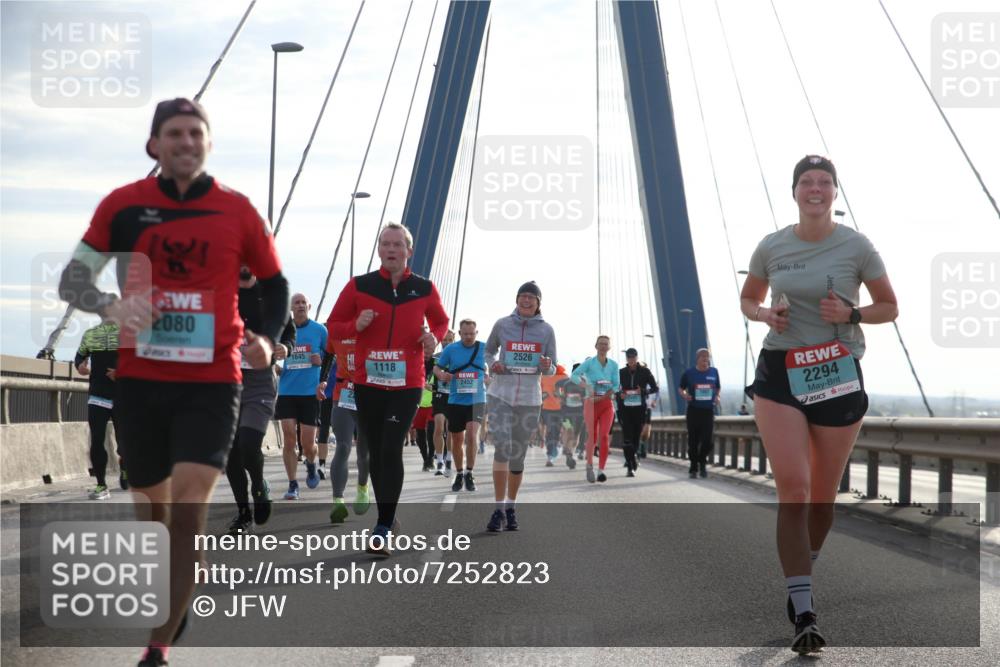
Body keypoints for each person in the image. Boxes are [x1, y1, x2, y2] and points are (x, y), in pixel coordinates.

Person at [58, 97, 289, 667]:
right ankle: (175, 583)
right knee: (152, 520)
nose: (186, 142)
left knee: (187, 512)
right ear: (154, 145)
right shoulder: (123, 205)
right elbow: (74, 280)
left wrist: (264, 336)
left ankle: (157, 646)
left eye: (196, 133)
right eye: (174, 134)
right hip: (141, 382)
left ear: (208, 143)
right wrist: (108, 306)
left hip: (213, 381)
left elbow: (276, 283)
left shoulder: (237, 210)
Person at [740, 155, 897, 654]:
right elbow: (748, 298)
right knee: (795, 486)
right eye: (806, 182)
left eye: (823, 182)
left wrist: (852, 312)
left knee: (822, 499)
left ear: (834, 193)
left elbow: (889, 306)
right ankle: (804, 609)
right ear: (794, 192)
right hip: (781, 372)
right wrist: (766, 314)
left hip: (835, 372)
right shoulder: (772, 245)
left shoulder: (857, 246)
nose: (815, 189)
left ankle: (802, 564)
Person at [327, 223, 449, 555]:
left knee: (391, 447)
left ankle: (383, 525)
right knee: (377, 450)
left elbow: (440, 320)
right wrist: (356, 325)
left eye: (397, 244)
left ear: (409, 251)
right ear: (379, 250)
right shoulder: (359, 286)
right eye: (385, 244)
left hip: (407, 382)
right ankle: (387, 517)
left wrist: (433, 337)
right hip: (368, 382)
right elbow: (332, 326)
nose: (391, 249)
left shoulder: (424, 288)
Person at [224, 266, 296, 535]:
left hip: (259, 383)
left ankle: (259, 486)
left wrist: (285, 347)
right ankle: (243, 514)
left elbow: (289, 332)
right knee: (231, 453)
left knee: (249, 443)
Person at [484, 281, 557, 531]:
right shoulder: (502, 324)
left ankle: (511, 507)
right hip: (500, 395)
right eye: (522, 296)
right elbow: (488, 351)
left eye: (531, 298)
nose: (526, 301)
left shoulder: (547, 330)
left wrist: (546, 364)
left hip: (529, 399)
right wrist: (493, 364)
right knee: (502, 448)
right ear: (516, 299)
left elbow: (552, 366)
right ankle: (497, 510)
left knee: (517, 457)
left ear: (538, 303)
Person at [275, 293, 327, 499]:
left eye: (303, 302)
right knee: (289, 439)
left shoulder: (319, 330)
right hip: (287, 391)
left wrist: (320, 360)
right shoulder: (282, 330)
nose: (300, 306)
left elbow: (332, 354)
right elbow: (270, 354)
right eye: (296, 303)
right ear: (290, 308)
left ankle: (312, 463)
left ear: (309, 306)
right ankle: (292, 484)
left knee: (307, 444)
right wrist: (275, 367)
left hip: (309, 393)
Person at [317, 329, 371, 523]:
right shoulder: (337, 329)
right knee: (342, 446)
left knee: (363, 451)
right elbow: (329, 354)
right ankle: (337, 501)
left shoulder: (373, 327)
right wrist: (322, 380)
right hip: (343, 394)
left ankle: (362, 489)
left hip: (368, 394)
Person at [434, 319, 488, 492]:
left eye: (472, 334)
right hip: (456, 400)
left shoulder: (484, 348)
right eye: (465, 334)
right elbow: (437, 368)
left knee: (472, 435)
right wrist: (442, 375)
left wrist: (491, 376)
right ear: (459, 333)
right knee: (457, 439)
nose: (468, 337)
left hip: (477, 399)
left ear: (476, 333)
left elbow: (495, 366)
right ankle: (459, 473)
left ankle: (469, 472)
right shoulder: (451, 349)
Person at [74, 316, 122, 499]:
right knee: (96, 439)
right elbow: (80, 355)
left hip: (122, 397)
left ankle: (124, 464)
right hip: (98, 395)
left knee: (124, 442)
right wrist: (80, 365)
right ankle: (101, 485)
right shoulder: (91, 334)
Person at [569, 336, 620, 483]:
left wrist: (612, 391)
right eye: (601, 344)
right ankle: (589, 465)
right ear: (596, 346)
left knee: (604, 436)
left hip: (606, 404)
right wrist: (586, 386)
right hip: (591, 403)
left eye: (606, 344)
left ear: (609, 347)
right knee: (592, 435)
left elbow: (616, 385)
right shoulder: (589, 363)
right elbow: (574, 375)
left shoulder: (614, 365)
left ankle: (601, 470)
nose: (603, 346)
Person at [678, 348, 721, 479]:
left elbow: (717, 387)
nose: (705, 359)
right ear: (697, 358)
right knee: (693, 441)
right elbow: (681, 388)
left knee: (708, 441)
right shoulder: (689, 373)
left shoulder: (714, 372)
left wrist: (717, 396)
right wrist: (685, 395)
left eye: (707, 357)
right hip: (694, 411)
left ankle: (702, 461)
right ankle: (694, 468)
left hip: (708, 411)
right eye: (702, 357)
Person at [617, 348, 659, 477]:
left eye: (633, 357)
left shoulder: (645, 372)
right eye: (629, 357)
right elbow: (613, 389)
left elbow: (655, 388)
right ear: (626, 359)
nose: (631, 359)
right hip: (624, 410)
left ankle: (634, 457)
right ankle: (630, 466)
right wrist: (620, 394)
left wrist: (644, 392)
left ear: (637, 357)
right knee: (627, 440)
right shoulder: (621, 373)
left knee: (635, 438)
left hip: (639, 410)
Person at [430, 329, 456, 476]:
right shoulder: (435, 358)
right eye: (444, 340)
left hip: (454, 396)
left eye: (449, 340)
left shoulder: (459, 357)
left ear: (454, 340)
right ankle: (439, 461)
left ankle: (449, 459)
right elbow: (424, 374)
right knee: (439, 426)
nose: (446, 343)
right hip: (439, 395)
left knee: (450, 429)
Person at [557, 362, 585, 468]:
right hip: (566, 413)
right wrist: (562, 398)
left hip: (579, 414)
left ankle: (570, 451)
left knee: (575, 434)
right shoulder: (566, 384)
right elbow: (560, 392)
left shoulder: (584, 385)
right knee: (569, 431)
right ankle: (568, 452)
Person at [540, 363, 568, 466]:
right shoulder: (542, 376)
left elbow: (569, 392)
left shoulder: (564, 377)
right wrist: (543, 395)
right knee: (551, 431)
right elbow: (538, 391)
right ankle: (550, 455)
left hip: (561, 409)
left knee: (558, 431)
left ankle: (556, 448)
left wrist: (560, 395)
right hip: (547, 409)